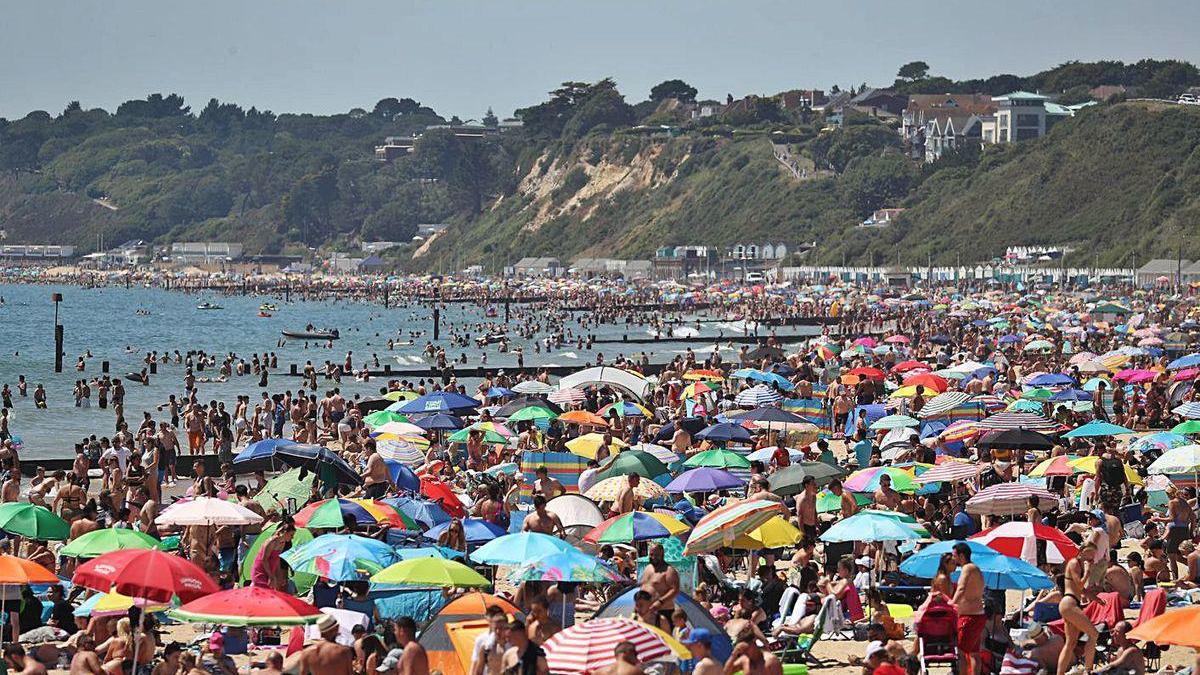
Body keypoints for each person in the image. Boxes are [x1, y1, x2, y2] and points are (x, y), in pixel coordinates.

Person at [1057, 542, 1101, 675]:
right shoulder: (1075, 563)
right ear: (1081, 551)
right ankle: (1088, 670)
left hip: (1070, 602)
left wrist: (1096, 599)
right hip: (1069, 603)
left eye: (1093, 553)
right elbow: (1080, 584)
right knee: (1093, 634)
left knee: (1071, 643)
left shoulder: (1078, 564)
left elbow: (1082, 590)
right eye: (1089, 552)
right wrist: (1088, 571)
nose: (1091, 556)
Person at [950, 542, 985, 675]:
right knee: (974, 653)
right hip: (977, 615)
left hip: (969, 617)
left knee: (961, 652)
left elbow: (961, 588)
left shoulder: (967, 569)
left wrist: (951, 605)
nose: (953, 559)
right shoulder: (975, 568)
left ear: (961, 555)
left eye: (954, 556)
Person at [639, 542, 681, 631]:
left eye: (656, 554)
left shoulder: (669, 571)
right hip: (646, 612)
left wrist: (660, 602)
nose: (653, 557)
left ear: (662, 554)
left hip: (663, 611)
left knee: (665, 641)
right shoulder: (648, 568)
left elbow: (675, 590)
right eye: (651, 554)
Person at [470, 606, 509, 675]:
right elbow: (476, 667)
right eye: (496, 628)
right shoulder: (484, 645)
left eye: (501, 628)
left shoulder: (513, 644)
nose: (498, 631)